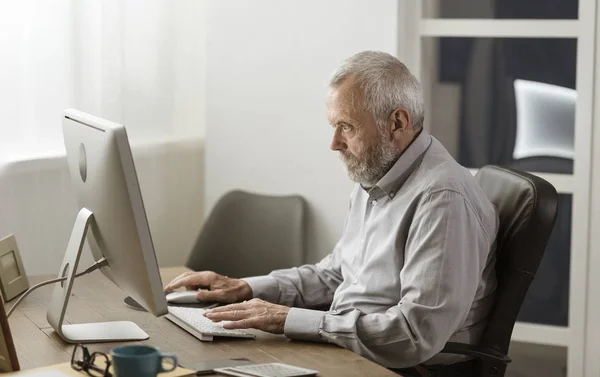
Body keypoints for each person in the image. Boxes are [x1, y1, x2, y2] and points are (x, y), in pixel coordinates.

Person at [165, 51, 498, 376]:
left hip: (399, 367)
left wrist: (288, 319)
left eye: (347, 127)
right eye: (333, 126)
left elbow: (414, 334)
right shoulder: (377, 175)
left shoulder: (443, 198)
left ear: (397, 122)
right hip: (348, 348)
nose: (334, 143)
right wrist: (247, 289)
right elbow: (337, 274)